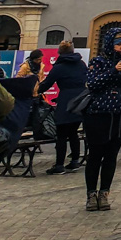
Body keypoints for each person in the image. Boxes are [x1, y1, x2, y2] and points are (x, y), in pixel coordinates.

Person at [83, 29, 121, 211]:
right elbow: (93, 84)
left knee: (111, 156)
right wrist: (113, 71)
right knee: (95, 155)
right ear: (110, 43)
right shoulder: (98, 62)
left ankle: (104, 193)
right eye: (119, 44)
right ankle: (91, 194)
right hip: (99, 115)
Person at [35, 41, 87, 174]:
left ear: (59, 52)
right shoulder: (81, 64)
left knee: (62, 134)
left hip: (65, 101)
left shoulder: (59, 67)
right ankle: (75, 161)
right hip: (81, 100)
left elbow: (47, 83)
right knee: (74, 132)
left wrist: (36, 90)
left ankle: (59, 165)